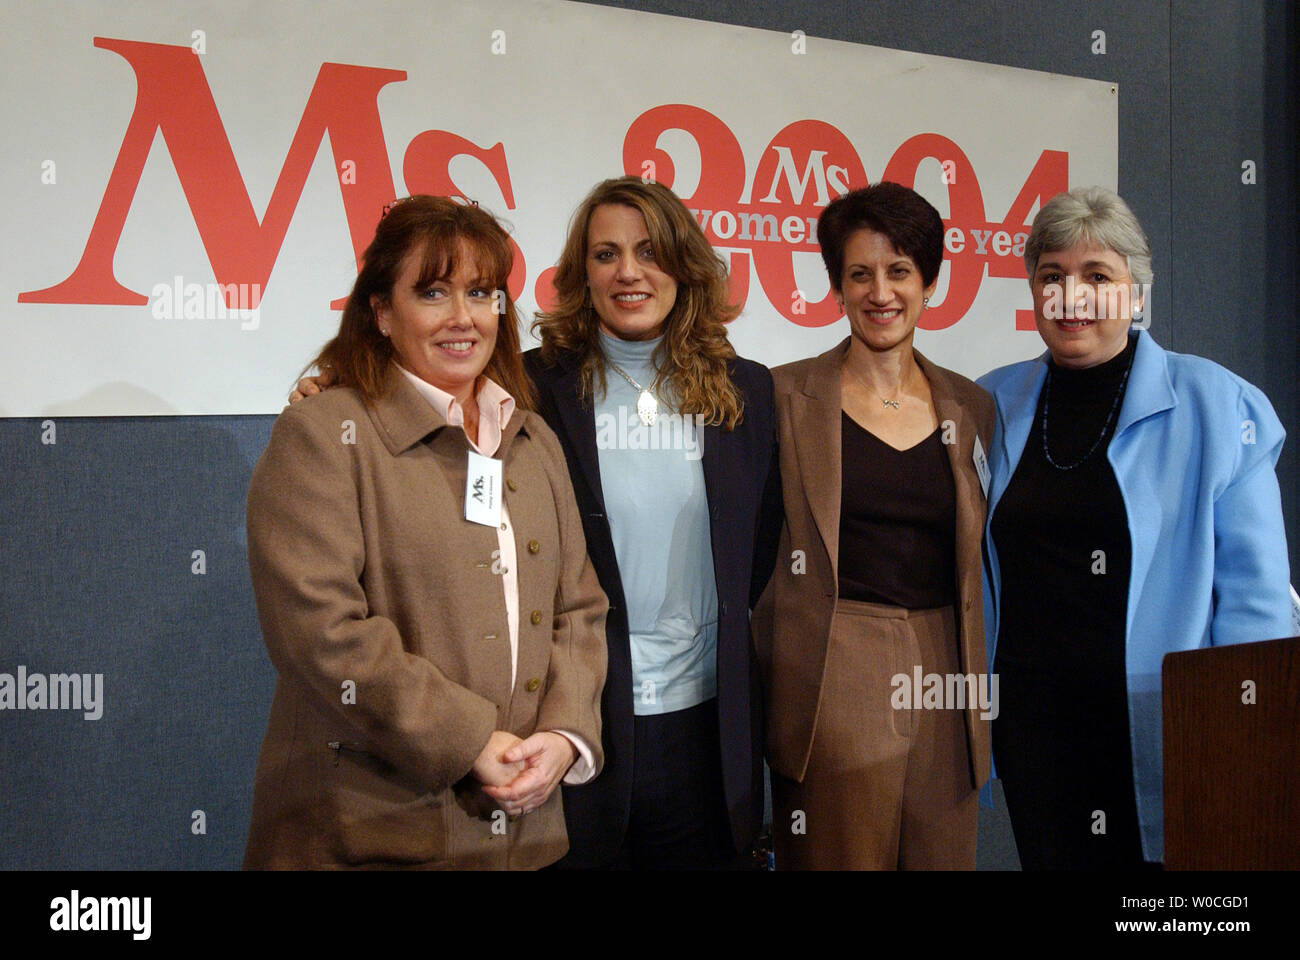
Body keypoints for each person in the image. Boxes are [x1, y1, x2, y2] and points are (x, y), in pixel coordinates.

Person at [294, 177, 780, 869]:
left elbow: (760, 553)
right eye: (606, 254)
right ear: (581, 274)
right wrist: (331, 389)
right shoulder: (528, 388)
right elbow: (408, 389)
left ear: (685, 263)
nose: (629, 272)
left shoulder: (748, 393)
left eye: (649, 250)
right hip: (569, 724)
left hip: (707, 726)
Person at [244, 195, 608, 870]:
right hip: (369, 837)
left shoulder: (535, 441)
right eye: (432, 293)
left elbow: (579, 609)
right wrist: (470, 742)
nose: (463, 318)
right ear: (381, 313)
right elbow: (321, 633)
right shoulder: (323, 434)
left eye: (480, 292)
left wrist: (563, 733)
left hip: (525, 835)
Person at [979, 185, 1292, 869]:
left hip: (1164, 728)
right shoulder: (991, 403)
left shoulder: (1217, 404)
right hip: (1034, 724)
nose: (1073, 296)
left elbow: (1257, 598)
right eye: (1052, 276)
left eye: (1098, 276)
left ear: (1137, 294)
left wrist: (1251, 736)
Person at [752, 182, 995, 869]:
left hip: (949, 667)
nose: (880, 292)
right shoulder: (780, 396)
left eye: (899, 272)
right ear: (836, 286)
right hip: (834, 665)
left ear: (930, 283)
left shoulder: (973, 406)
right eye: (859, 273)